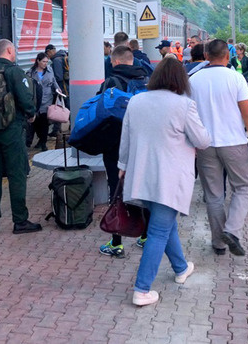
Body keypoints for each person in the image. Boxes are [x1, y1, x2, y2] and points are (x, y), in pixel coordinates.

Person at [118, 56, 211, 306]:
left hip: (141, 177)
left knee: (164, 225)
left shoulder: (136, 101)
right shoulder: (184, 105)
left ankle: (181, 268)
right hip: (169, 179)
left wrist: (122, 167)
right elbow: (202, 140)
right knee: (159, 230)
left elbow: (125, 138)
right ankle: (142, 289)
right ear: (181, 79)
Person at [189, 39, 248, 257]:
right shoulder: (236, 78)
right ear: (226, 55)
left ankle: (218, 243)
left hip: (205, 145)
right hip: (234, 143)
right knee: (244, 187)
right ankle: (232, 230)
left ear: (206, 54)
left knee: (213, 195)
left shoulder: (194, 80)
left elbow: (188, 114)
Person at [0, 39, 42, 235]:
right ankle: (20, 220)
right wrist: (31, 112)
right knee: (17, 174)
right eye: (14, 50)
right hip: (11, 130)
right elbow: (25, 99)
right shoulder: (14, 72)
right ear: (9, 50)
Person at [97, 45, 149, 258]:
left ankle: (116, 242)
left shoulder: (111, 82)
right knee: (143, 189)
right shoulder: (147, 79)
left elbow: (101, 112)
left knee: (116, 189)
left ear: (115, 61)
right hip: (143, 144)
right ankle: (145, 236)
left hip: (116, 145)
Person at [27, 52, 57, 151]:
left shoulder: (50, 70)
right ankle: (40, 140)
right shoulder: (30, 73)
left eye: (46, 62)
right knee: (36, 123)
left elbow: (54, 81)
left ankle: (43, 143)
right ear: (38, 61)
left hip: (46, 100)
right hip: (35, 101)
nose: (45, 64)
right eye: (43, 61)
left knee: (44, 122)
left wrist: (58, 89)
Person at [46, 44, 69, 136]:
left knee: (60, 107)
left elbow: (58, 77)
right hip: (65, 87)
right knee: (62, 107)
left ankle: (56, 130)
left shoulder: (56, 60)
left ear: (50, 51)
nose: (48, 56)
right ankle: (56, 129)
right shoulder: (63, 56)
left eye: (48, 53)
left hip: (61, 88)